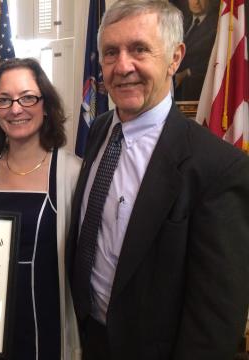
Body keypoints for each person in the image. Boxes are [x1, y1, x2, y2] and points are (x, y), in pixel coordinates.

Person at [66, 1, 249, 359]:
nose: (122, 67)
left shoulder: (218, 169)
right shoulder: (101, 129)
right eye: (110, 52)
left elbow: (215, 321)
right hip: (88, 338)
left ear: (175, 57)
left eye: (139, 49)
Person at [0, 58, 82, 359]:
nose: (15, 108)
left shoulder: (71, 173)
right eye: (4, 100)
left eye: (27, 97)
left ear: (45, 105)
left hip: (45, 326)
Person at [175, 0, 218, 100]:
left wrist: (187, 72)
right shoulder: (183, 21)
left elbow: (217, 60)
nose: (197, 2)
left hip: (196, 90)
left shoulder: (217, 25)